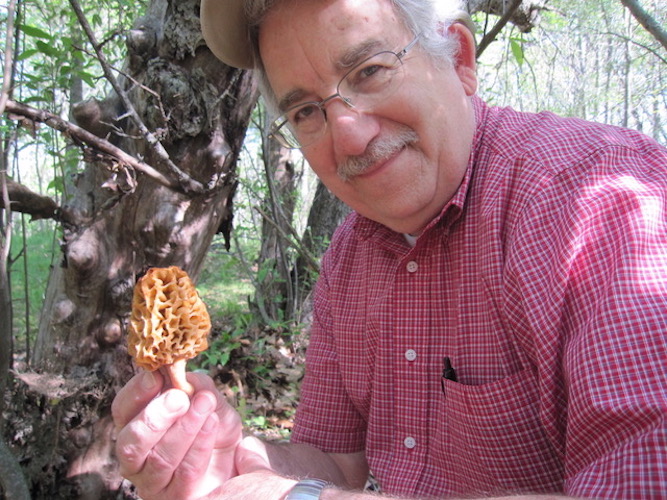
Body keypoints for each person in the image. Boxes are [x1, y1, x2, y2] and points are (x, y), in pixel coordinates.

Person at [111, 0, 667, 498]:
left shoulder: (602, 202)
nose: (348, 135)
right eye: (306, 111)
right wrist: (240, 463)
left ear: (459, 59)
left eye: (369, 71)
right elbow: (335, 461)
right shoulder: (350, 254)